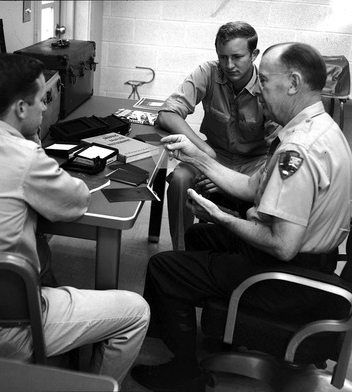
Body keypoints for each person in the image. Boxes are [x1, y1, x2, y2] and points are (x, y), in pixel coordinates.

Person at [131, 42, 352, 392]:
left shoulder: (298, 150)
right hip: (315, 261)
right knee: (199, 239)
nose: (259, 91)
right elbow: (253, 187)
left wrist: (221, 217)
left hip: (287, 276)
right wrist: (198, 156)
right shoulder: (321, 129)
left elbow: (282, 246)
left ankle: (185, 372)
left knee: (164, 267)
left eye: (264, 80)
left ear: (293, 83)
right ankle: (202, 326)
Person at [0, 53, 150, 386]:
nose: (45, 108)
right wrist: (36, 149)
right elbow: (76, 202)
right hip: (4, 329)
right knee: (135, 312)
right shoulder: (27, 158)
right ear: (20, 108)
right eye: (40, 100)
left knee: (40, 250)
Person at [158, 21, 279, 250]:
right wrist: (205, 152)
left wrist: (227, 181)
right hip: (213, 155)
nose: (229, 65)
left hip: (254, 164)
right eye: (223, 57)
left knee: (270, 189)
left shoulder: (267, 86)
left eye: (237, 57)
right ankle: (182, 252)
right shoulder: (208, 72)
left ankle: (247, 254)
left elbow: (278, 148)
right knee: (179, 179)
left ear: (254, 54)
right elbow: (167, 114)